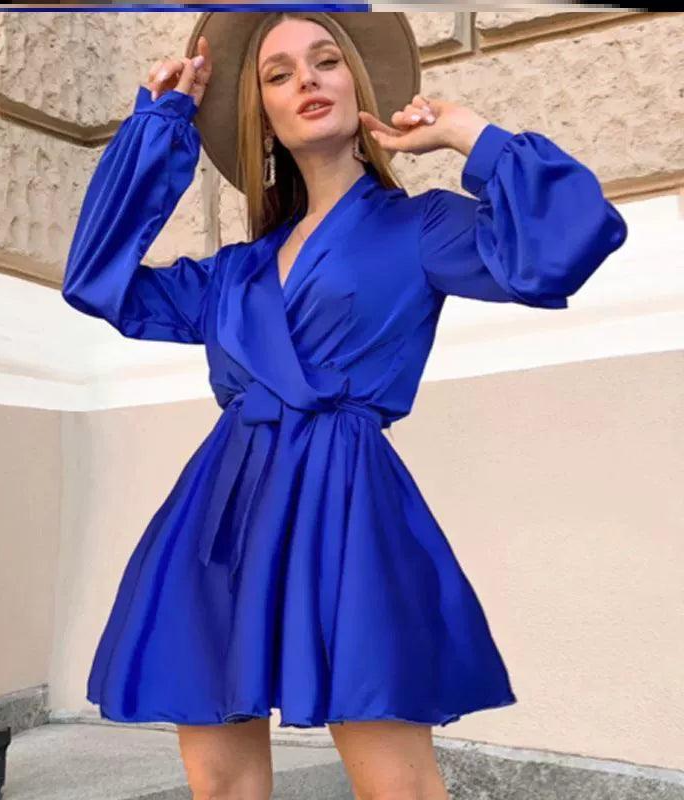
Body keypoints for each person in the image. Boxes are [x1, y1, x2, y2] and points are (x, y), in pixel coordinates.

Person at [61, 11, 629, 800]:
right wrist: (160, 126)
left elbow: (565, 249)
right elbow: (97, 282)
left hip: (348, 505)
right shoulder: (233, 273)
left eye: (325, 61)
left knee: (398, 785)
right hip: (222, 514)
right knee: (220, 783)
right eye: (279, 73)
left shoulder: (421, 227)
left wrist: (469, 135)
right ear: (265, 116)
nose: (307, 80)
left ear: (356, 82)